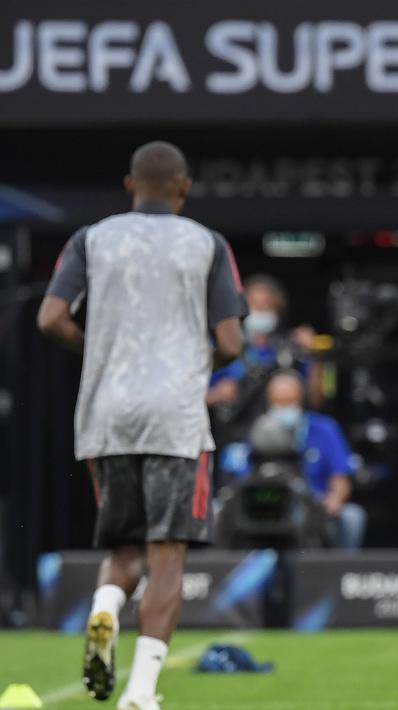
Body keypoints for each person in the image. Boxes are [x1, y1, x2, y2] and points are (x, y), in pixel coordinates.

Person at [36, 141, 246, 710]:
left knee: (124, 548)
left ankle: (105, 608)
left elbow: (50, 317)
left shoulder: (91, 238)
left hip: (107, 412)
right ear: (183, 188)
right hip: (174, 416)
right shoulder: (207, 243)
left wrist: (96, 351)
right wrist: (198, 363)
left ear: (130, 185)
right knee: (166, 556)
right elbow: (231, 340)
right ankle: (140, 691)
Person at [219, 371, 366, 550]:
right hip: (262, 508)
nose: (284, 409)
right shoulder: (255, 430)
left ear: (301, 401)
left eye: (290, 402)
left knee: (352, 517)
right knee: (218, 510)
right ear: (268, 404)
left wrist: (333, 501)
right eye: (278, 403)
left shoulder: (325, 429)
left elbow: (341, 480)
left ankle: (339, 573)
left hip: (312, 506)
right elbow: (239, 481)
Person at [206, 274, 320, 449]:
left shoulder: (289, 350)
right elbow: (192, 400)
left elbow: (316, 399)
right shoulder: (226, 349)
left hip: (287, 442)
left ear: (277, 310)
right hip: (236, 442)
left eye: (266, 305)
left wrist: (314, 354)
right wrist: (218, 394)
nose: (260, 311)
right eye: (254, 305)